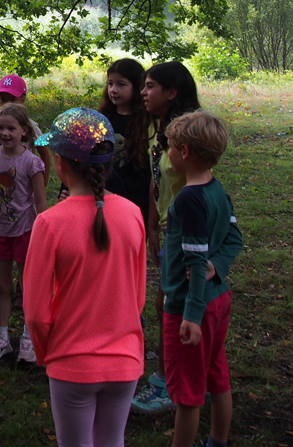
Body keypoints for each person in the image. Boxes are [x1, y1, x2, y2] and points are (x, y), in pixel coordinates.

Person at [24, 107, 147, 447]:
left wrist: (47, 353)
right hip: (125, 361)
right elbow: (138, 297)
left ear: (60, 163)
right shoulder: (133, 214)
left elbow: (35, 311)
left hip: (70, 362)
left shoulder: (49, 223)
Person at [160, 111, 242, 447]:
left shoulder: (189, 199)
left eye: (168, 147)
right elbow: (234, 238)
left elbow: (194, 262)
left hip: (189, 307)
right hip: (218, 299)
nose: (165, 154)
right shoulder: (216, 190)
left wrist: (191, 315)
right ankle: (218, 442)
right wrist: (217, 266)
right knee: (218, 377)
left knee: (188, 393)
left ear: (184, 152)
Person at [131, 61, 201, 416]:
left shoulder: (188, 135)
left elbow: (198, 188)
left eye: (150, 86)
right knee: (164, 305)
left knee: (172, 306)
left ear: (172, 93)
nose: (143, 92)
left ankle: (169, 383)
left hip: (185, 234)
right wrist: (152, 226)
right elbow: (155, 181)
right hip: (167, 229)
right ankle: (169, 377)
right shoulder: (157, 130)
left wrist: (182, 238)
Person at [0, 103, 47, 363]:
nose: (5, 133)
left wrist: (43, 233)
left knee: (28, 286)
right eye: (1, 128)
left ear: (25, 131)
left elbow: (40, 202)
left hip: (26, 231)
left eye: (11, 128)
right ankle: (2, 337)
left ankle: (29, 338)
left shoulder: (32, 162)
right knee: (3, 285)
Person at [0, 74, 52, 310]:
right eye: (2, 97)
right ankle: (4, 289)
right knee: (4, 258)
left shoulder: (31, 127)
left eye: (11, 98)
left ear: (23, 98)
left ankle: (23, 290)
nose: (6, 102)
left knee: (24, 252)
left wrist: (42, 179)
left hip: (24, 186)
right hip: (3, 186)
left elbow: (44, 154)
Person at [98, 58, 152, 225]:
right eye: (110, 84)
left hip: (136, 199)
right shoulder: (102, 119)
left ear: (137, 87)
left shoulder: (147, 122)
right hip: (104, 196)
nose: (113, 90)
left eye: (121, 84)